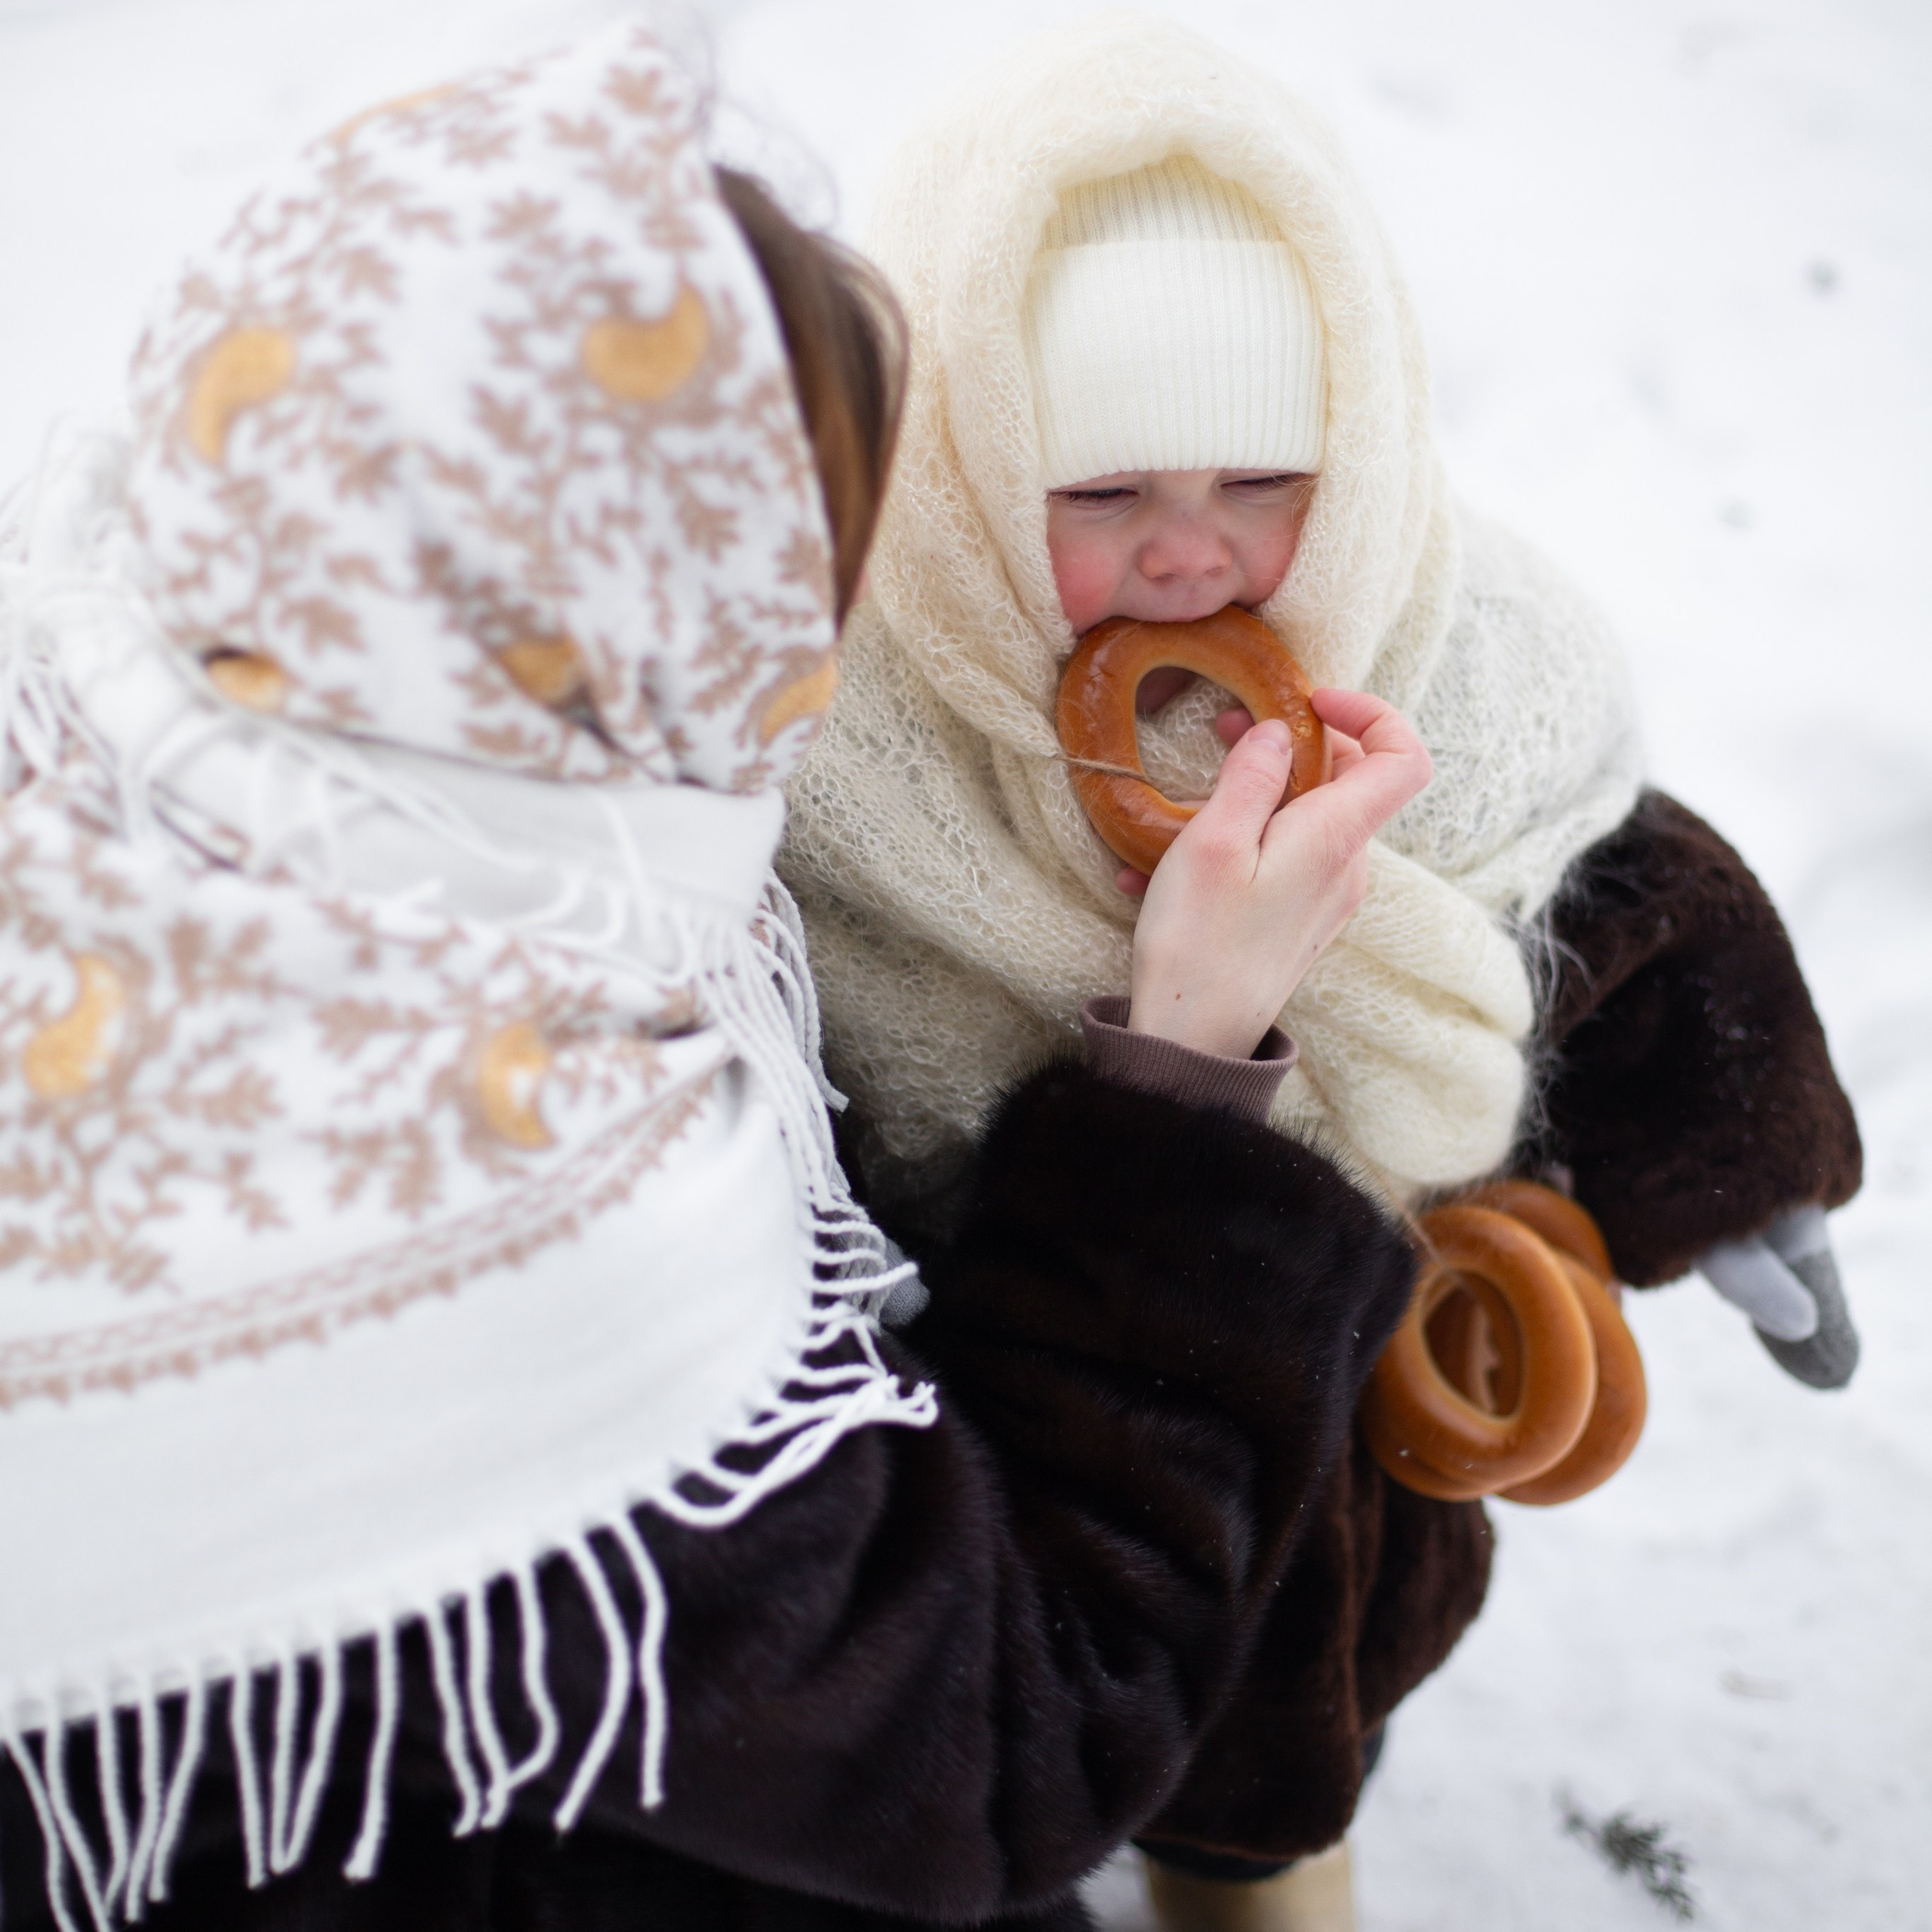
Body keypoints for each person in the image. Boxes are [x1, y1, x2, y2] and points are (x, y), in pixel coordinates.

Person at [0, 25, 1437, 1932]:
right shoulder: (515, 1271)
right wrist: (1178, 1088)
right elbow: (1004, 1729)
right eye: (785, 588)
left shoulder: (116, 706)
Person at [777, 17, 1863, 1928]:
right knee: (1048, 1745)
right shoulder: (837, 758)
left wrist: (1729, 1163)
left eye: (1263, 475)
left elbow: (1626, 894)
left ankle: (1252, 1864)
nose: (1193, 553)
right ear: (956, 464)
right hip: (1030, 1456)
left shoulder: (1451, 648)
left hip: (1352, 1419)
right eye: (1097, 492)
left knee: (1273, 1780)